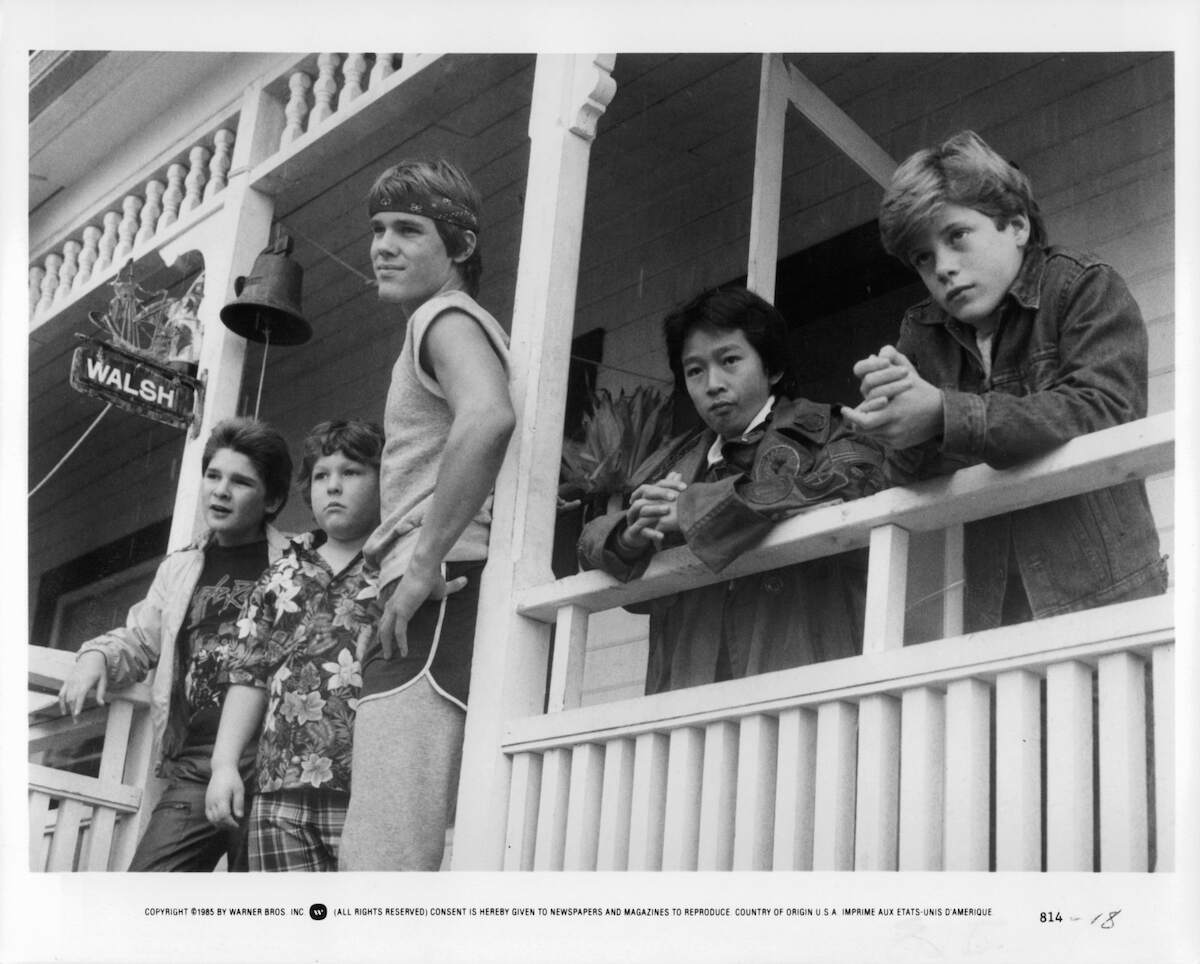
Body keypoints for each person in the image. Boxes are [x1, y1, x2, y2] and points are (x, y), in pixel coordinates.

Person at [843, 129, 1168, 630]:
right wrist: (899, 427)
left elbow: (1104, 410)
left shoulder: (1082, 284)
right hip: (994, 613)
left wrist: (941, 412)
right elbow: (910, 477)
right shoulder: (922, 330)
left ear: (1016, 225)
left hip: (1109, 602)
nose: (943, 269)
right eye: (923, 258)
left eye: (956, 237)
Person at [337, 158, 515, 871]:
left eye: (408, 230)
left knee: (380, 855)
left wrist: (418, 564)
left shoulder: (442, 318)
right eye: (378, 229)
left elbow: (489, 417)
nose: (383, 245)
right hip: (438, 592)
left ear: (460, 248)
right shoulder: (446, 323)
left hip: (432, 595)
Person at [578, 285, 888, 694]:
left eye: (729, 361)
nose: (713, 384)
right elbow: (599, 549)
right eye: (695, 370)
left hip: (801, 672)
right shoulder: (670, 461)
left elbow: (847, 486)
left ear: (772, 368)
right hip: (688, 684)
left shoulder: (830, 431)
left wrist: (693, 509)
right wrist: (630, 537)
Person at [57, 417, 293, 871]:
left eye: (240, 482)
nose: (220, 491)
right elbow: (140, 639)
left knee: (264, 913)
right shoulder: (181, 568)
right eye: (213, 476)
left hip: (271, 763)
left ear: (274, 499)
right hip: (196, 765)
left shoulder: (294, 564)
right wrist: (96, 655)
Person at [204, 419, 383, 872]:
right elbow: (249, 674)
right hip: (278, 790)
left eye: (352, 472)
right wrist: (224, 765)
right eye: (322, 475)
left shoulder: (397, 565)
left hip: (366, 788)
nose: (334, 486)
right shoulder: (281, 573)